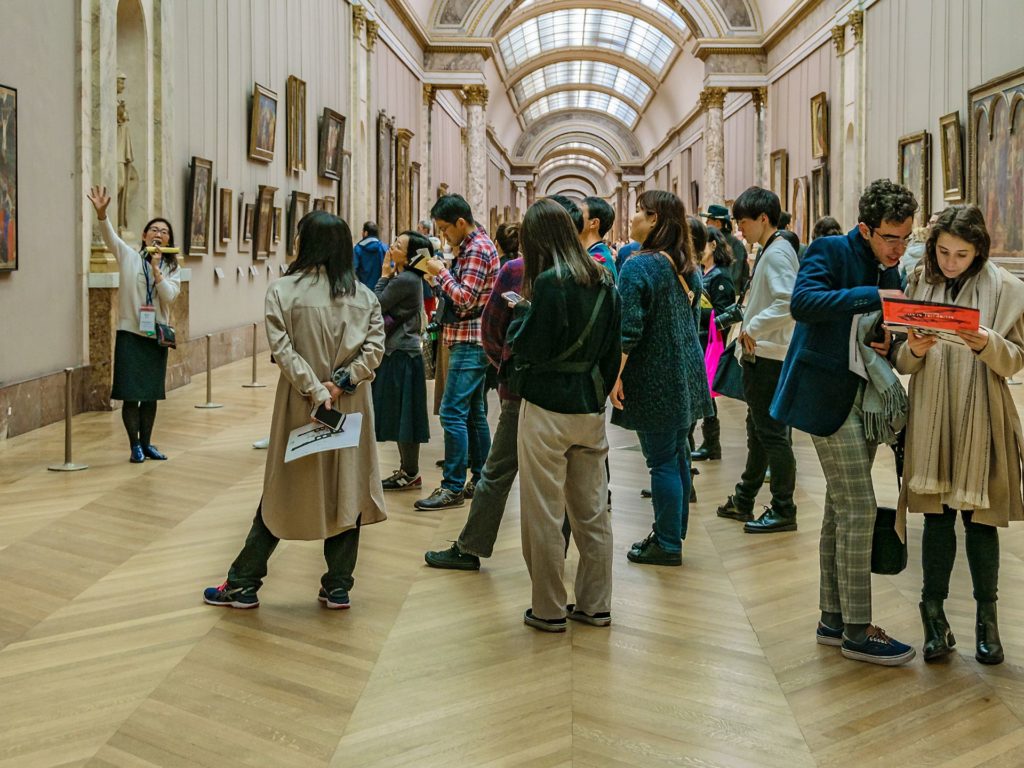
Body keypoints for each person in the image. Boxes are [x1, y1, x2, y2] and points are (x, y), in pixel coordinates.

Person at [203, 211, 386, 610]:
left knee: (282, 490)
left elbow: (282, 349)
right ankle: (338, 585)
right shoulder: (365, 296)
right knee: (347, 489)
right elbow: (374, 351)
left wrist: (315, 389)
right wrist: (341, 383)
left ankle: (243, 582)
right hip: (349, 405)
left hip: (303, 406)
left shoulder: (283, 291)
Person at [771, 178, 918, 665]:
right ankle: (859, 629)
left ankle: (833, 619)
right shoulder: (832, 250)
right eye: (890, 238)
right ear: (865, 229)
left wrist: (888, 342)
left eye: (906, 238)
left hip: (865, 398)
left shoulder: (892, 268)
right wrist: (871, 294)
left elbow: (879, 332)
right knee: (859, 505)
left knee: (839, 506)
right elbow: (804, 304)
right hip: (824, 396)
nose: (898, 248)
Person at [895, 205, 1024, 665]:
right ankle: (934, 619)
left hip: (983, 416)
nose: (950, 262)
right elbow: (903, 363)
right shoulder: (918, 282)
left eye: (961, 254)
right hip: (931, 413)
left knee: (980, 521)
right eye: (943, 252)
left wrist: (987, 342)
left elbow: (1016, 360)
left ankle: (987, 624)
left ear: (979, 251)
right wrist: (912, 348)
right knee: (934, 519)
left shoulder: (1008, 290)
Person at [506, 198, 621, 631]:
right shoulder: (606, 279)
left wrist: (520, 313)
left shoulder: (550, 284)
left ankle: (549, 607)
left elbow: (529, 347)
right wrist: (598, 392)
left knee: (544, 511)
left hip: (546, 408)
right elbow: (611, 352)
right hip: (589, 405)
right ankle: (595, 603)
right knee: (592, 512)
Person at [611, 191, 711, 567]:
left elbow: (629, 328)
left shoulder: (639, 266)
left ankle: (668, 542)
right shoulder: (684, 263)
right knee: (678, 453)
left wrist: (616, 375)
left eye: (639, 211)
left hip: (656, 374)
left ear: (655, 220)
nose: (633, 217)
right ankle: (673, 531)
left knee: (662, 461)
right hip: (685, 370)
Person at [715, 187, 799, 534]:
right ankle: (745, 496)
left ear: (763, 219)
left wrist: (752, 325)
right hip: (761, 352)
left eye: (743, 222)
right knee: (759, 430)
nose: (740, 230)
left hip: (768, 354)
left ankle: (783, 508)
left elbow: (789, 300)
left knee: (771, 434)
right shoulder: (773, 248)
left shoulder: (778, 253)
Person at [416, 194, 500, 510]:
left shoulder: (477, 248)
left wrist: (440, 272)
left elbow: (464, 298)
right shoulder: (470, 247)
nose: (444, 236)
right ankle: (481, 478)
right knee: (475, 413)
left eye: (445, 229)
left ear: (460, 223)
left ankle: (452, 486)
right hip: (468, 338)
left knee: (452, 412)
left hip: (471, 341)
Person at [87, 185, 181, 464]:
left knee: (151, 395)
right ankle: (135, 445)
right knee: (131, 395)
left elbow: (170, 296)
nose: (159, 234)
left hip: (156, 337)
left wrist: (156, 270)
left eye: (164, 232)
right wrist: (102, 214)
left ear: (169, 240)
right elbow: (110, 237)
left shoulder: (171, 268)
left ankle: (149, 443)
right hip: (131, 334)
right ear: (144, 236)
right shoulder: (128, 257)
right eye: (154, 230)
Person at [373, 230, 432, 491]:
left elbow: (374, 305)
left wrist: (384, 275)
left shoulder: (405, 279)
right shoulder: (410, 277)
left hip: (401, 354)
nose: (391, 247)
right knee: (402, 415)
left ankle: (410, 472)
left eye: (397, 245)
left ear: (409, 257)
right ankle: (408, 470)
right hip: (402, 352)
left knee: (405, 416)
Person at [691, 222, 736, 463]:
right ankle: (710, 443)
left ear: (713, 245)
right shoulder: (702, 272)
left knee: (706, 395)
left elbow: (725, 314)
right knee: (703, 395)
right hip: (699, 339)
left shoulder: (720, 277)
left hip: (709, 343)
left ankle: (711, 444)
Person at [701, 203, 749, 295]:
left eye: (708, 220)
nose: (706, 223)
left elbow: (735, 274)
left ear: (718, 223)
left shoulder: (735, 244)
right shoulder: (709, 241)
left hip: (728, 296)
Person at [580, 196, 618, 280]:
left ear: (594, 223)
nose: (574, 216)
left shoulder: (599, 259)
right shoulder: (590, 253)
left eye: (579, 213)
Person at [353, 221, 388, 289]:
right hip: (380, 290)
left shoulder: (358, 249)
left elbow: (353, 270)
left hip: (363, 291)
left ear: (366, 233)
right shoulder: (384, 248)